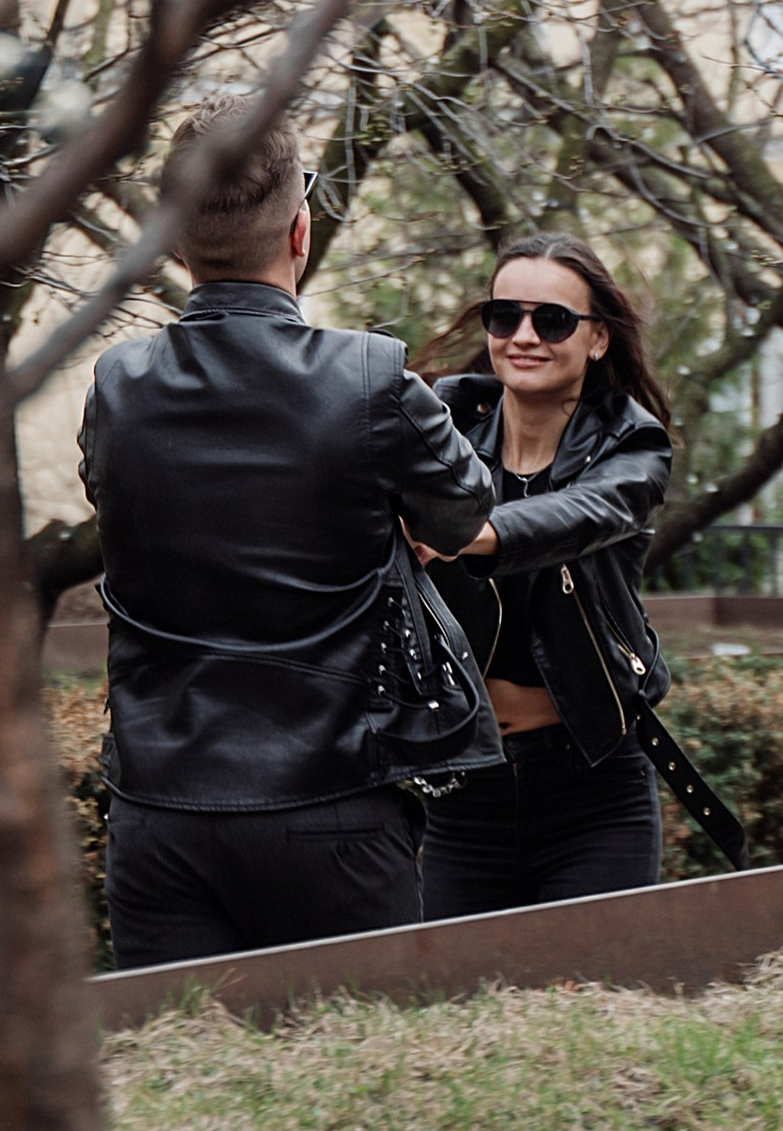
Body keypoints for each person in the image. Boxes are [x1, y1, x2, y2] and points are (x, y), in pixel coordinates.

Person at [80, 100, 500, 968]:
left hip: (159, 813)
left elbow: (111, 498)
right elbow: (464, 509)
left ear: (172, 240)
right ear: (301, 229)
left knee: (177, 1082)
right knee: (358, 1086)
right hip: (333, 804)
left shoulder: (118, 383)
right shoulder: (369, 376)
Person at [414, 233, 676, 916]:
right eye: (505, 316)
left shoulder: (631, 442)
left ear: (597, 340)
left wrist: (474, 533)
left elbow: (586, 513)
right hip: (464, 787)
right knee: (451, 1008)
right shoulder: (438, 429)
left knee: (589, 1003)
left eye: (552, 320)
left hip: (592, 786)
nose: (524, 336)